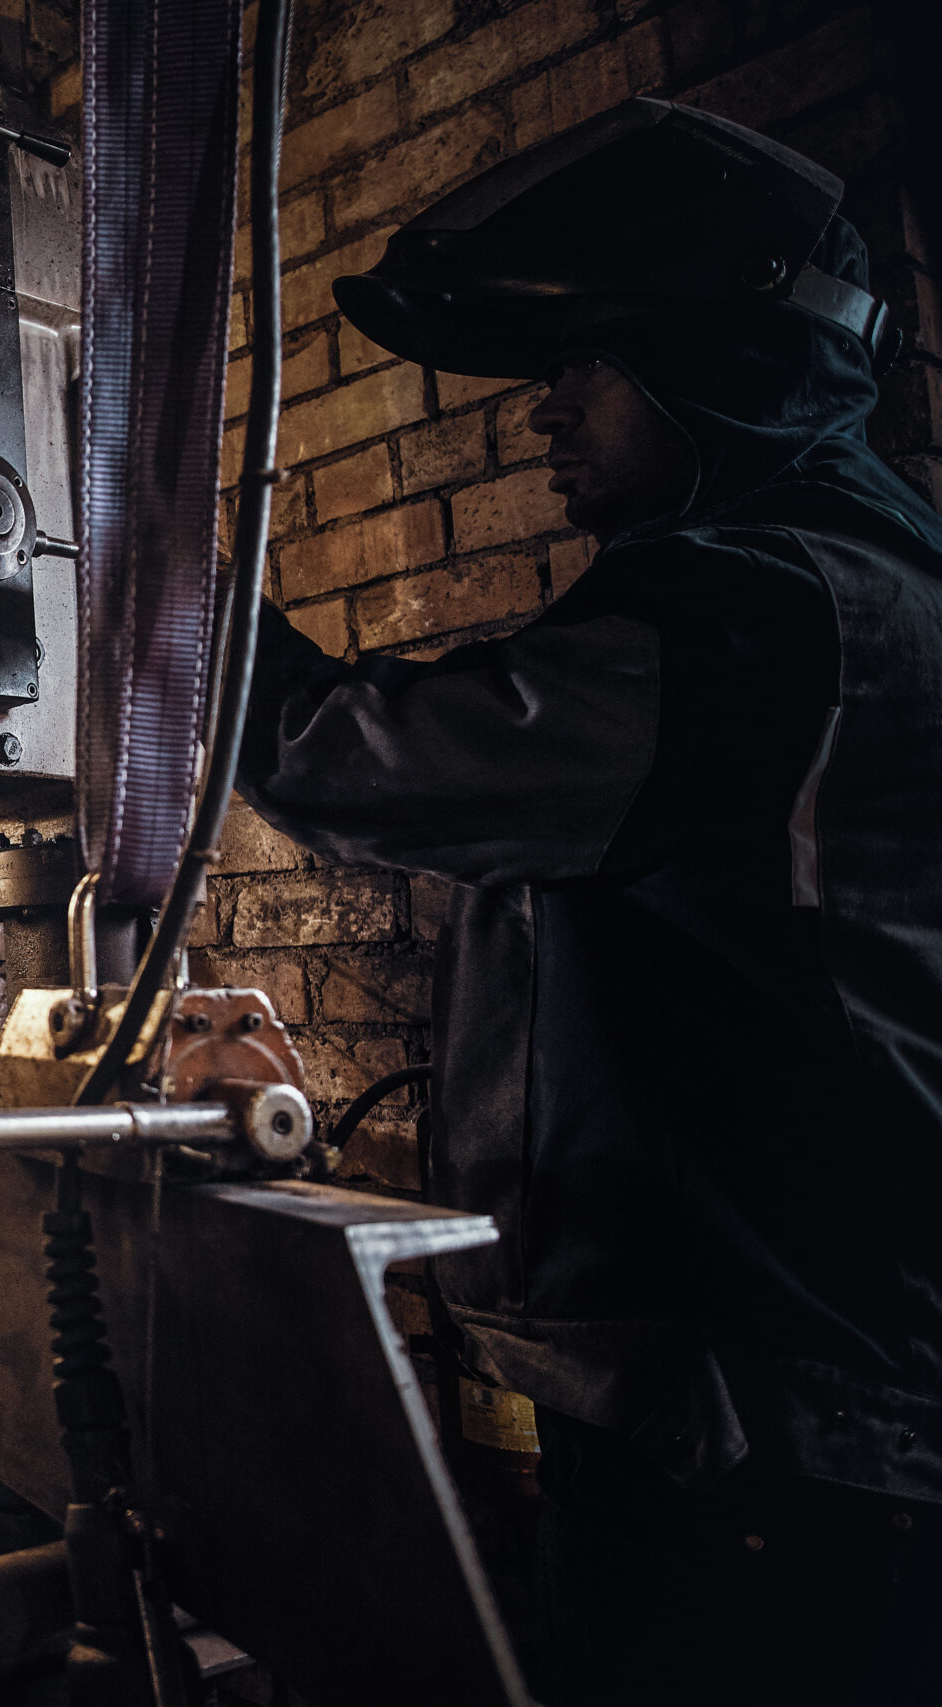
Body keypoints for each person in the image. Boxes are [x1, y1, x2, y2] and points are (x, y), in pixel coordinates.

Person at [237, 100, 942, 1702]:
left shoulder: (758, 618)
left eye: (587, 365)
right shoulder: (875, 578)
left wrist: (143, 582)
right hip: (806, 1405)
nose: (543, 413)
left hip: (773, 1433)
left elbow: (351, 763)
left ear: (711, 361)